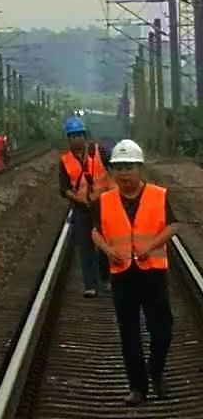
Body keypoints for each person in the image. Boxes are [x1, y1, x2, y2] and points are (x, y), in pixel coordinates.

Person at [91, 138, 177, 406]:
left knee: (163, 328)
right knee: (129, 333)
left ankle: (156, 370)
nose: (124, 174)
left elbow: (173, 226)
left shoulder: (158, 195)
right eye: (119, 168)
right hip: (122, 274)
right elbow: (95, 231)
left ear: (140, 169)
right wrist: (107, 250)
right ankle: (138, 388)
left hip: (152, 273)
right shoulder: (104, 200)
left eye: (129, 167)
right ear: (112, 171)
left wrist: (151, 245)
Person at [59, 114, 109, 297]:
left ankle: (106, 279)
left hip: (103, 206)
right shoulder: (65, 160)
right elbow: (64, 188)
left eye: (79, 135)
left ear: (84, 135)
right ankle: (90, 284)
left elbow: (112, 172)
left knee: (105, 245)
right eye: (72, 136)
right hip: (81, 210)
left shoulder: (99, 152)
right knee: (85, 247)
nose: (76, 139)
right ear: (68, 139)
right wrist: (80, 199)